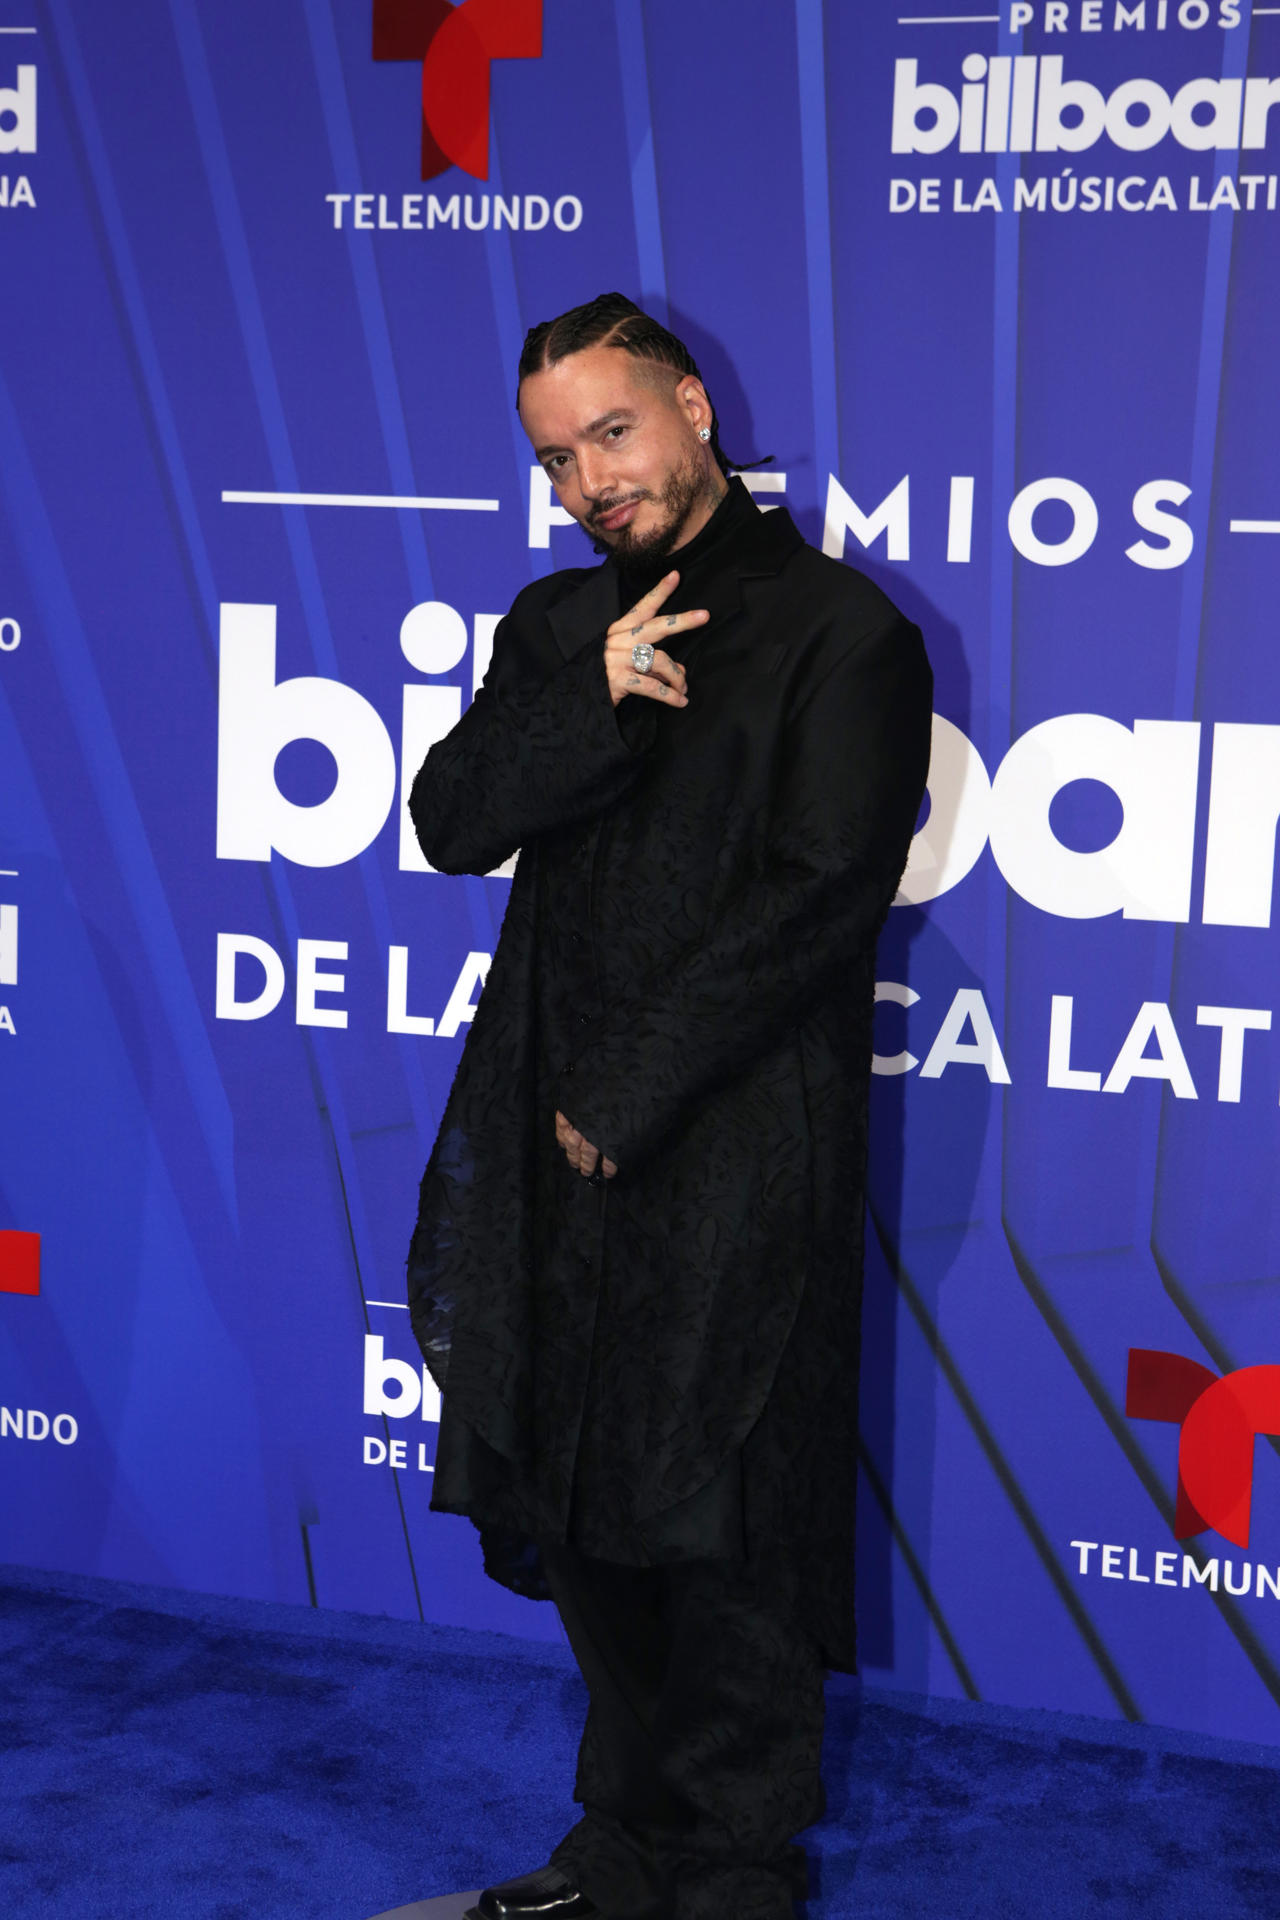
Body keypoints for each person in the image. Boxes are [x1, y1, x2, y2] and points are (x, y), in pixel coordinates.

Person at [405, 293, 932, 1920]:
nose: (590, 481)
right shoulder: (559, 627)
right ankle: (620, 1846)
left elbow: (819, 894)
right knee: (579, 1502)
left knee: (721, 1526)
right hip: (549, 1154)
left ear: (695, 407)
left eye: (613, 433)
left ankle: (728, 1872)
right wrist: (596, 699)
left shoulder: (846, 633)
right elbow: (452, 820)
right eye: (558, 459)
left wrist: (628, 1095)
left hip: (734, 1149)